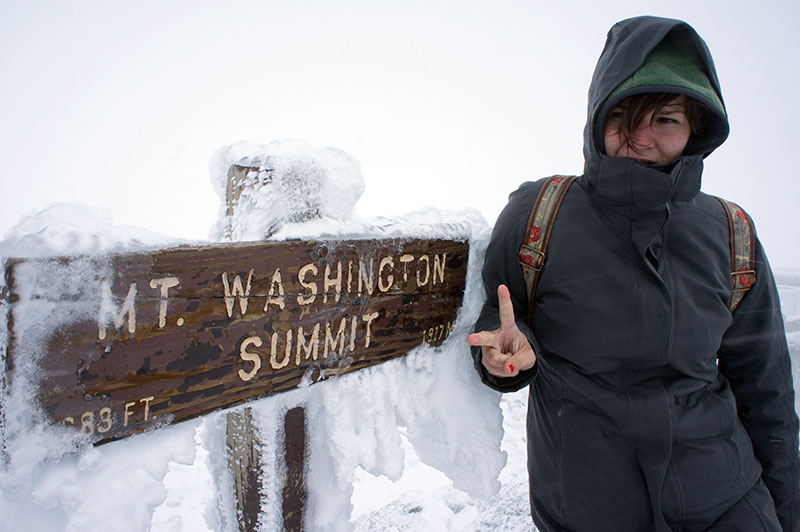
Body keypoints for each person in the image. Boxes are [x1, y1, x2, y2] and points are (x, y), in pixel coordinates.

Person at [467, 15, 800, 532]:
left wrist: (785, 512)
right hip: (586, 507)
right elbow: (502, 317)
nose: (641, 138)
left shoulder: (732, 231)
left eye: (666, 119)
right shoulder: (540, 213)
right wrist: (507, 359)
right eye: (623, 115)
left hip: (728, 501)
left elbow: (767, 392)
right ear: (597, 117)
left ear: (696, 128)